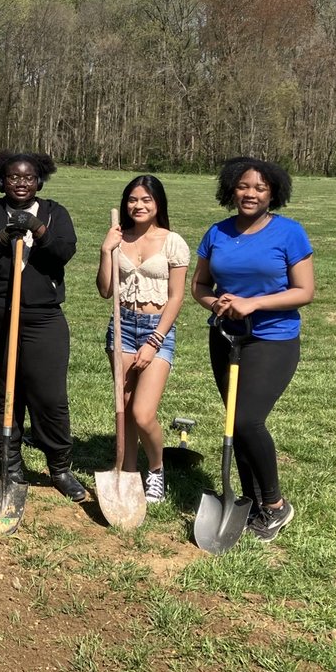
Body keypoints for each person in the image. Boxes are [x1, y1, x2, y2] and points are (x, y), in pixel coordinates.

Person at [190, 156, 314, 542]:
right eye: (244, 186)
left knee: (246, 421)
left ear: (272, 193)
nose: (251, 193)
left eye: (260, 188)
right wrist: (217, 305)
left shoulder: (289, 233)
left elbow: (304, 291)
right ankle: (251, 501)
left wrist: (253, 303)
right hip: (226, 337)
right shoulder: (218, 233)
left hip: (271, 339)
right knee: (234, 422)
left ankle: (276, 506)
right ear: (232, 189)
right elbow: (200, 286)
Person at [0, 150, 85, 501]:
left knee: (50, 396)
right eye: (13, 177)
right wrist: (1, 238)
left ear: (39, 181)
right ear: (1, 180)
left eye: (28, 177)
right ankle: (10, 465)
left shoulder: (54, 213)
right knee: (3, 391)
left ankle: (60, 468)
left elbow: (63, 252)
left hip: (42, 315)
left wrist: (37, 229)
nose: (21, 183)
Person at [95, 175, 189, 503]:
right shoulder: (118, 238)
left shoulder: (172, 241)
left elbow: (176, 298)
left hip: (156, 327)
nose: (139, 205)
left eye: (146, 200)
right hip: (121, 326)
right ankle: (129, 472)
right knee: (124, 406)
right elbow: (106, 289)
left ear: (158, 204)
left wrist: (154, 341)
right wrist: (107, 250)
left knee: (143, 413)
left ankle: (157, 468)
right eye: (133, 200)